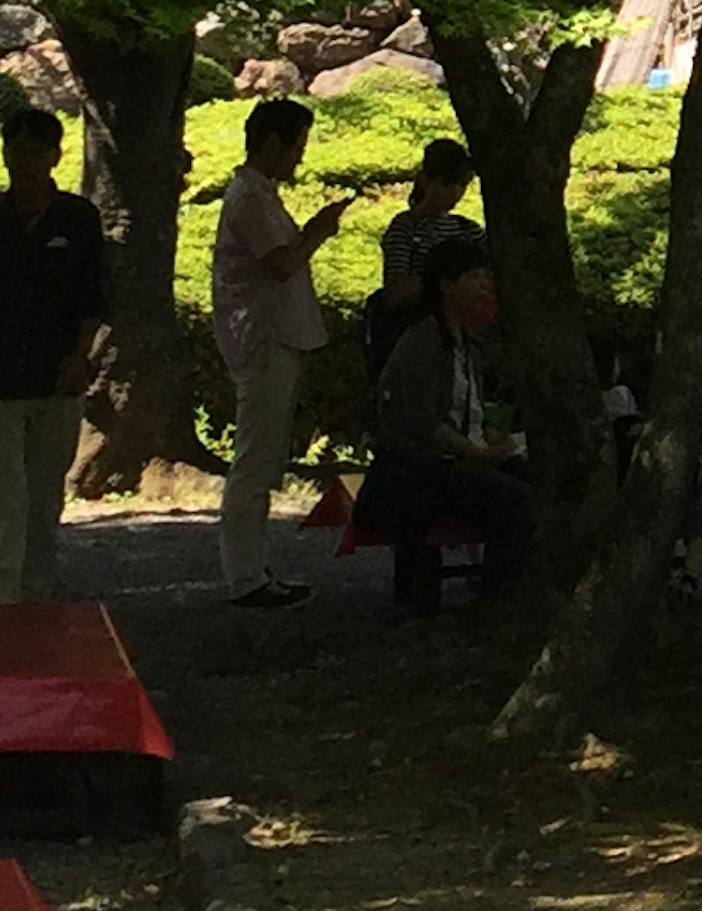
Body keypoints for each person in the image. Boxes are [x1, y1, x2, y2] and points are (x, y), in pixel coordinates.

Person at [0, 105, 112, 602]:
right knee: (4, 494)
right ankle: (1, 594)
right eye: (15, 149)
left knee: (44, 495)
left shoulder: (77, 219)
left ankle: (37, 587)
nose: (24, 160)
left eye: (35, 150)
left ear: (55, 155)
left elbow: (94, 297)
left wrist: (81, 355)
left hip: (57, 378)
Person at [208, 96, 353, 607]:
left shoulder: (256, 193)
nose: (299, 157)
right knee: (255, 459)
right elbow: (281, 264)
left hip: (271, 340)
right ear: (274, 143)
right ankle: (244, 574)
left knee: (263, 458)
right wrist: (318, 230)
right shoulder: (250, 197)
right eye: (296, 145)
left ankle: (253, 566)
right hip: (264, 340)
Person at [358, 253, 535, 618]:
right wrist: (477, 452)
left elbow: (467, 414)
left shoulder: (467, 345)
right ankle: (497, 601)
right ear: (446, 284)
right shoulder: (422, 342)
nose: (484, 285)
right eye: (473, 275)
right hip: (416, 470)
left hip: (453, 460)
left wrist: (494, 440)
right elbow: (425, 423)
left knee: (538, 482)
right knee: (513, 501)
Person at [369, 137, 481, 367]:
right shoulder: (406, 226)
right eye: (446, 184)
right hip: (418, 336)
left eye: (461, 185)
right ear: (426, 180)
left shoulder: (469, 230)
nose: (455, 192)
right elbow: (396, 292)